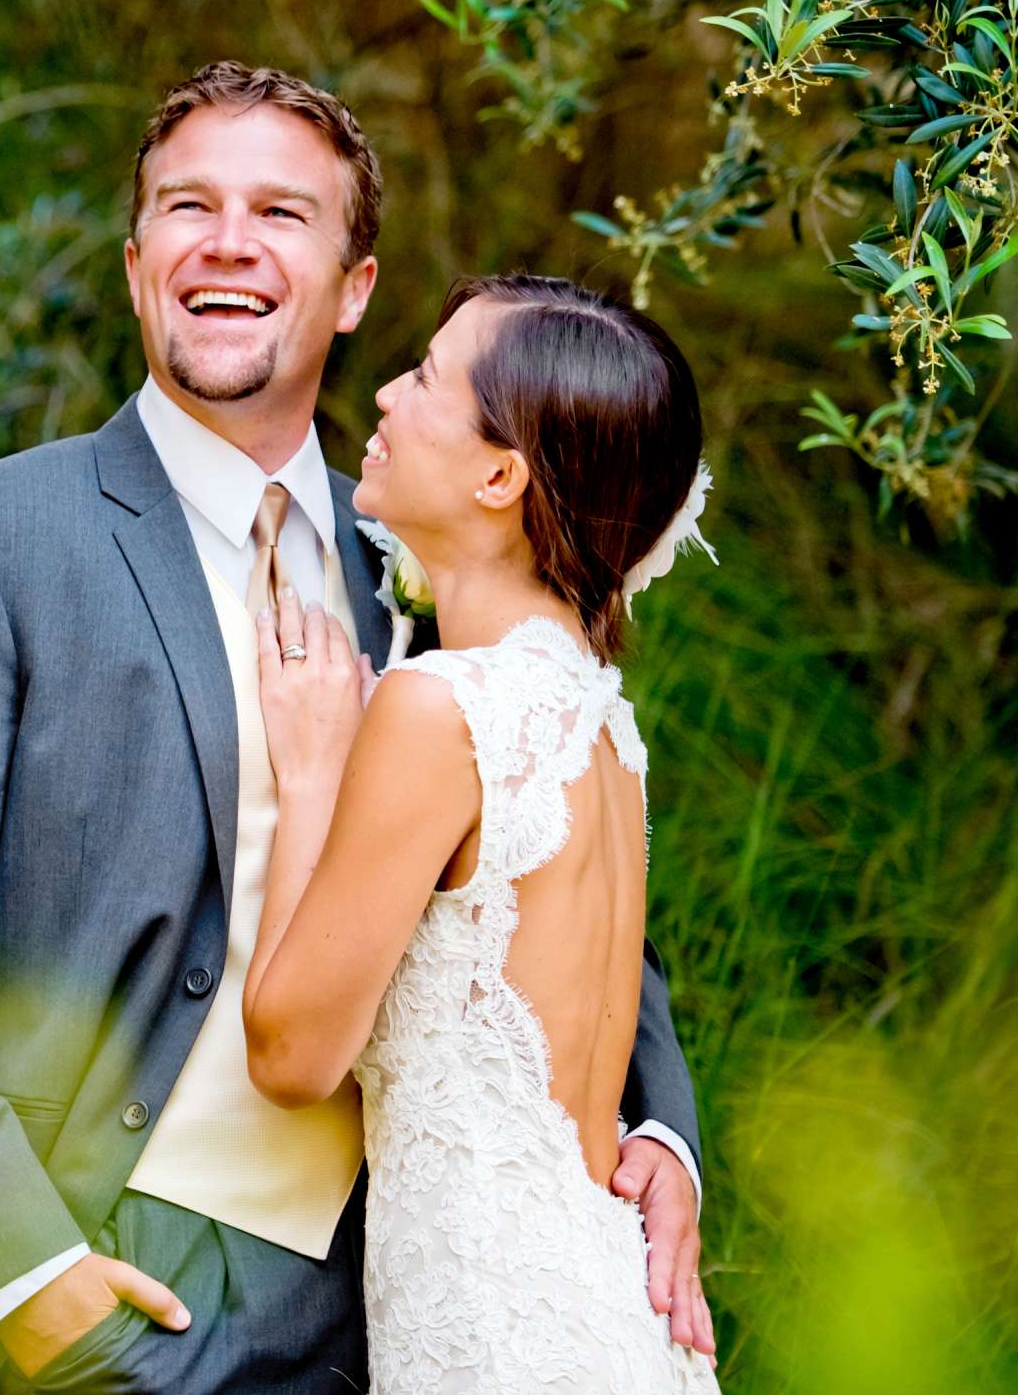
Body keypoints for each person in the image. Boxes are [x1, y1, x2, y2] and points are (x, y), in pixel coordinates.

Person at [0, 63, 710, 1394]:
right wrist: (31, 1278)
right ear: (134, 266)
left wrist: (664, 1140)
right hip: (85, 1281)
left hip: (372, 1317)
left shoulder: (435, 560)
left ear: (352, 288)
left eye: (281, 213)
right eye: (189, 206)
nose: (227, 241)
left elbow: (557, 884)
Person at [242, 272, 722, 1391]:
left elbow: (293, 1054)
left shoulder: (442, 708)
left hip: (500, 1338)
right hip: (604, 1317)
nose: (391, 398)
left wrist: (315, 768)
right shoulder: (601, 722)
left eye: (425, 377)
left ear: (501, 475)